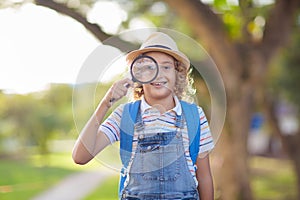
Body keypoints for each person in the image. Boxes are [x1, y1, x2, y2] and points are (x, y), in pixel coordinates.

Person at [72, 32, 214, 200]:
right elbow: (80, 156)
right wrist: (106, 102)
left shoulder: (194, 116)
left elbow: (204, 177)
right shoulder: (125, 116)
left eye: (166, 67)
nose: (159, 74)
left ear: (178, 74)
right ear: (138, 75)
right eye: (149, 68)